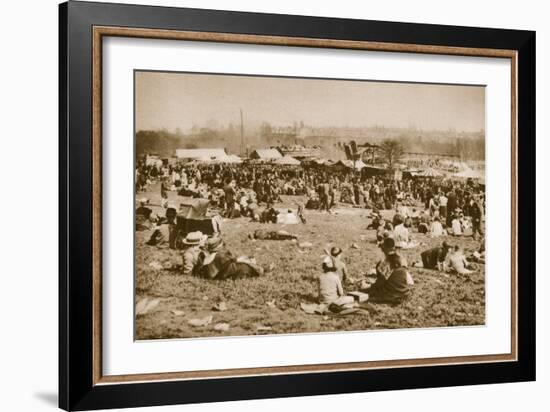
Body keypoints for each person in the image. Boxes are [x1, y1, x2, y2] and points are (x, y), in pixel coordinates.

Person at [193, 237, 266, 280]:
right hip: (220, 275)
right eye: (222, 245)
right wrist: (247, 261)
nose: (224, 246)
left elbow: (232, 260)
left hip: (218, 273)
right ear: (218, 247)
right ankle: (261, 269)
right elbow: (233, 261)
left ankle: (260, 268)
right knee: (244, 267)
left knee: (243, 263)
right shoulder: (220, 256)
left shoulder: (208, 255)